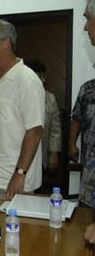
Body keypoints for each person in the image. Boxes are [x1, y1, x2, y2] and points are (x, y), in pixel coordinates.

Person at [0, 18, 45, 200]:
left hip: (13, 181)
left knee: (14, 229)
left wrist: (19, 173)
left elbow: (35, 131)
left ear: (6, 43)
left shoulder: (27, 81)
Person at [70, 0, 95, 209]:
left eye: (88, 18)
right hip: (89, 177)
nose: (85, 26)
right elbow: (76, 118)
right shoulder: (88, 89)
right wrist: (72, 144)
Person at [25, 59, 62, 170]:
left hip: (41, 155)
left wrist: (54, 153)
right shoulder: (17, 97)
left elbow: (55, 130)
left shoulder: (50, 99)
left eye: (41, 76)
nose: (40, 79)